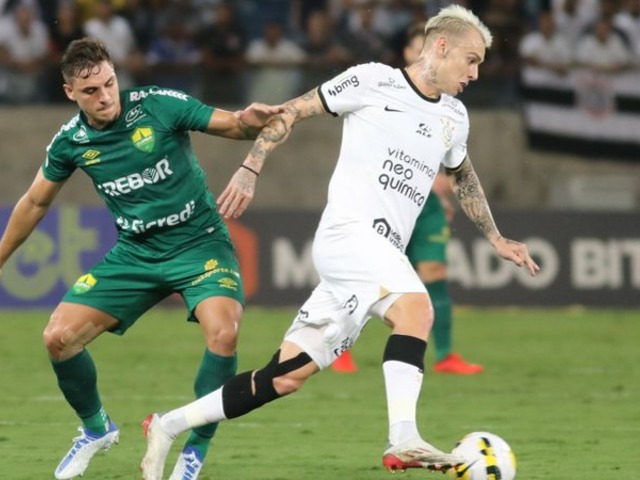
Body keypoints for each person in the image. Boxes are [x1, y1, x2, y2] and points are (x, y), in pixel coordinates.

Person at [141, 5, 540, 479]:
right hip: (349, 235)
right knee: (417, 309)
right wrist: (251, 167)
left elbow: (463, 175)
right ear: (441, 46)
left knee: (285, 375)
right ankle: (403, 437)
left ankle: (167, 424)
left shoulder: (454, 116)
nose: (475, 73)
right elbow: (291, 112)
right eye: (470, 60)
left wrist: (495, 236)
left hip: (374, 257)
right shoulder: (372, 80)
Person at [0, 37, 281, 480]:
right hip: (136, 254)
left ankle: (194, 449)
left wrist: (250, 120)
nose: (105, 96)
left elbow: (232, 124)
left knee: (224, 333)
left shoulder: (159, 105)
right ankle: (96, 430)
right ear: (70, 92)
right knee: (58, 338)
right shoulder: (71, 141)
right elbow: (35, 203)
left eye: (110, 83)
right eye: (91, 90)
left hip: (200, 244)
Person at [333, 22, 484, 376]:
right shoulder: (385, 91)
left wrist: (442, 187)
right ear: (410, 53)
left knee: (434, 272)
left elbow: (452, 165)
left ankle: (445, 355)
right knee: (367, 278)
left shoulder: (451, 110)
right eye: (418, 49)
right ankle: (338, 346)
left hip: (426, 207)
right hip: (384, 205)